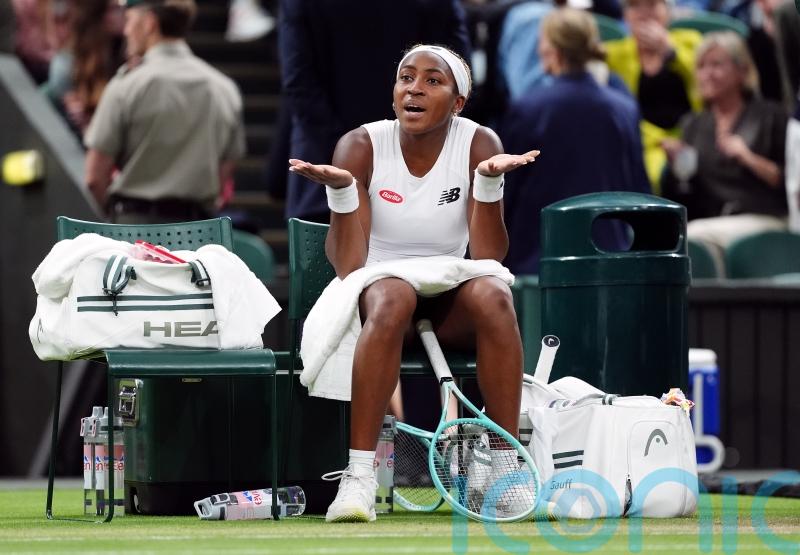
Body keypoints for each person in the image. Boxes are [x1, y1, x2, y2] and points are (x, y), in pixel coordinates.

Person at [288, 44, 538, 522]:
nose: (414, 89)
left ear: (458, 102)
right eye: (406, 78)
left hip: (450, 299)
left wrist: (488, 185)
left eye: (432, 81)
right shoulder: (360, 145)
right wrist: (342, 194)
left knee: (495, 292)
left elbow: (488, 258)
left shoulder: (479, 142)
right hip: (382, 299)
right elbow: (350, 266)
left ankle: (504, 467)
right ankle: (359, 476)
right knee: (393, 293)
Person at [280, 0, 471, 224]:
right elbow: (458, 77)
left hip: (325, 175)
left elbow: (299, 82)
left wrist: (346, 155)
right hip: (422, 176)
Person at [501, 8, 651, 274]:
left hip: (539, 264)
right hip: (612, 263)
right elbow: (639, 189)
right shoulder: (624, 109)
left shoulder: (529, 109)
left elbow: (506, 193)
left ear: (552, 49)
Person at [84, 0, 246, 224]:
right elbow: (226, 167)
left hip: (134, 229)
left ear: (150, 23)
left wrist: (115, 217)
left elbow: (94, 178)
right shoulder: (223, 88)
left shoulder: (127, 85)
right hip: (198, 232)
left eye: (129, 19)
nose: (126, 30)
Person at [661, 32, 788, 268]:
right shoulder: (693, 124)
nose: (707, 74)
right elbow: (686, 195)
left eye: (716, 65)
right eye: (701, 67)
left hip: (766, 216)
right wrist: (678, 166)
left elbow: (787, 181)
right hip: (713, 220)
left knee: (695, 236)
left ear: (742, 71)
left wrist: (748, 158)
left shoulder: (771, 116)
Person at [604, 0, 703, 189]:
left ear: (667, 10)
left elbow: (707, 89)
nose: (644, 12)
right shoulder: (613, 54)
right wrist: (660, 140)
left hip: (694, 138)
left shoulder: (691, 42)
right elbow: (617, 114)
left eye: (651, 4)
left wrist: (670, 52)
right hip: (642, 142)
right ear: (625, 15)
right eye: (635, 6)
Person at [42, 0, 125, 136]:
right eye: (114, 9)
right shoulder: (66, 64)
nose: (123, 13)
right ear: (97, 15)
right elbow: (86, 128)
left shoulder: (125, 52)